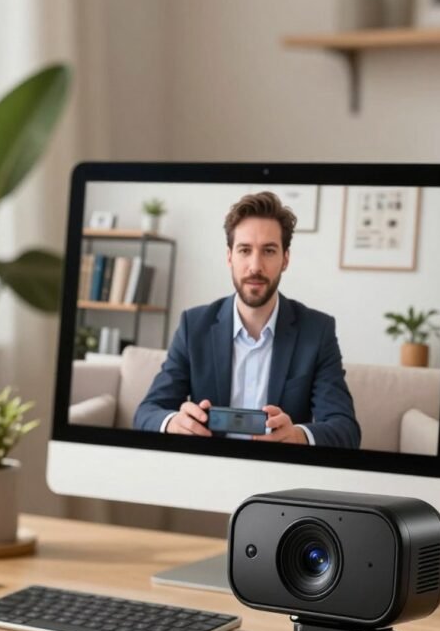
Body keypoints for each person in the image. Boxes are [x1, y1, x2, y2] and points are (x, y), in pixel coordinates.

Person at [133, 191, 360, 449]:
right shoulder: (193, 326)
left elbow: (346, 429)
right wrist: (174, 422)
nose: (255, 266)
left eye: (269, 251)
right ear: (229, 256)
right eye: (244, 250)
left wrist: (298, 436)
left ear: (285, 259)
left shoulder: (317, 331)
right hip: (209, 467)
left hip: (280, 473)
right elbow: (147, 412)